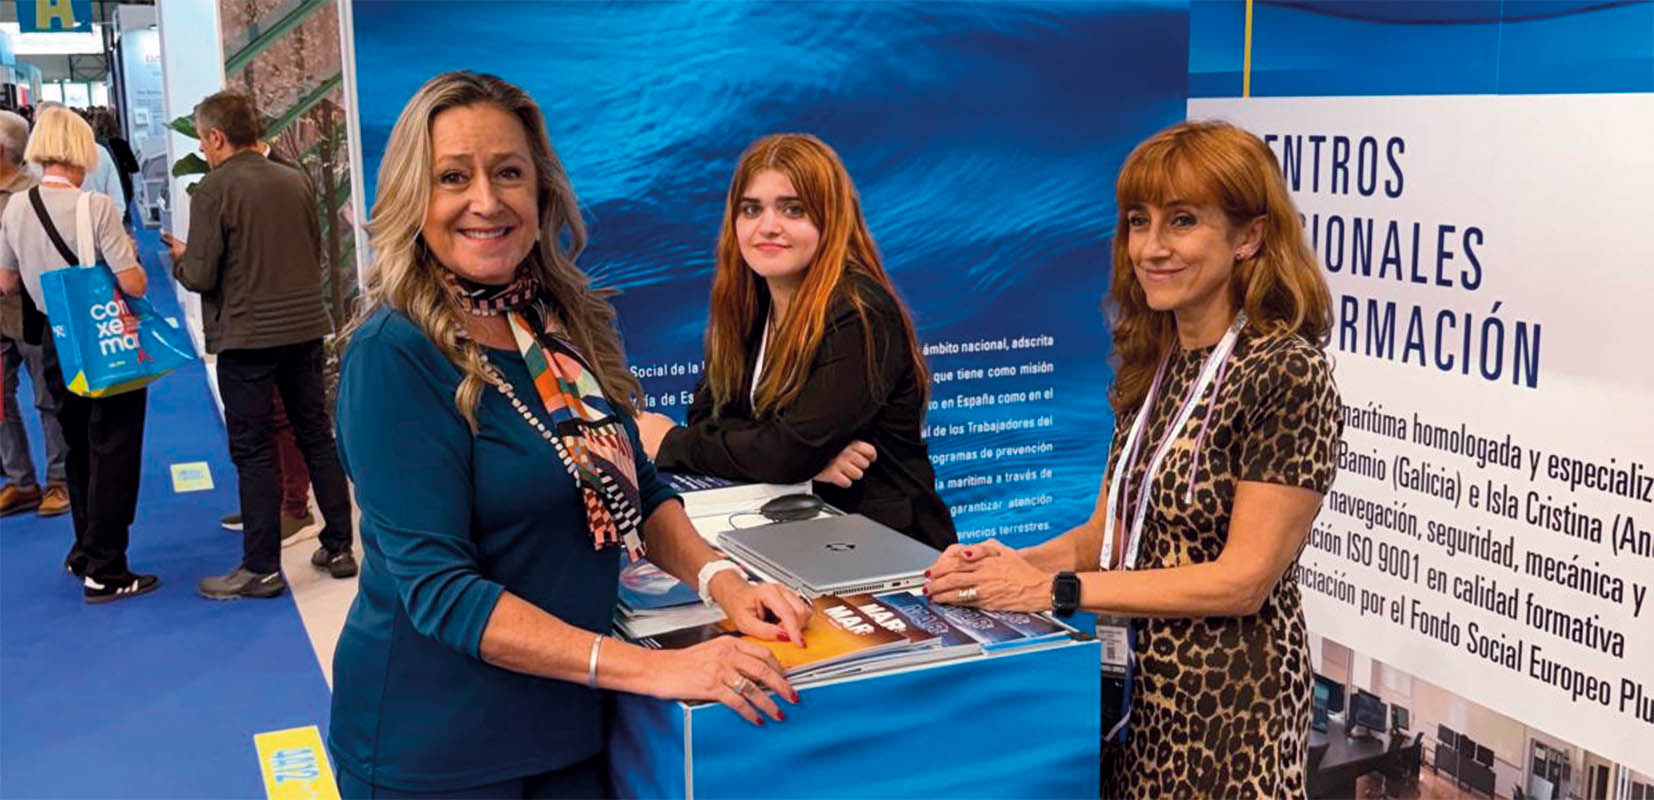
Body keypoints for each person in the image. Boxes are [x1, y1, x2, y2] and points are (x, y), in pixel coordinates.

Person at [329, 71, 809, 798]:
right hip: (438, 753)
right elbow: (439, 590)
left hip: (569, 725)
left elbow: (635, 490)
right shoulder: (394, 354)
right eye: (453, 176)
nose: (485, 201)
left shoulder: (554, 324)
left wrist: (724, 583)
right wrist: (662, 669)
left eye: (508, 174)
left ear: (541, 191)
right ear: (411, 197)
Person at [923, 120, 1342, 798]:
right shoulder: (1153, 360)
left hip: (1228, 712)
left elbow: (1244, 581)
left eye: (1182, 222)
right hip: (1129, 697)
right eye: (1138, 223)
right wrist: (1006, 566)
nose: (1151, 248)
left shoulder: (1285, 371)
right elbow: (1109, 535)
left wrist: (1054, 591)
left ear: (1250, 237)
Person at [637, 133, 956, 550]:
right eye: (751, 209)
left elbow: (783, 451)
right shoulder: (751, 307)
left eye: (793, 209)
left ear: (830, 219)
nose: (768, 226)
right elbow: (708, 419)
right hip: (804, 535)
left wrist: (670, 443)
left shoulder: (859, 312)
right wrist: (803, 462)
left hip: (890, 549)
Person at [164, 91, 356, 599]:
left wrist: (180, 258)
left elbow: (201, 275)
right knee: (315, 434)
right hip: (304, 328)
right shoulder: (296, 179)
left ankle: (261, 566)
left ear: (216, 137)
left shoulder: (214, 189)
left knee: (253, 451)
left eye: (203, 138)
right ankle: (340, 546)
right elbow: (313, 252)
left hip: (248, 337)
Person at [0, 106, 157, 602]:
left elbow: (6, 281)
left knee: (79, 448)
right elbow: (133, 281)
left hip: (51, 338)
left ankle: (85, 550)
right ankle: (108, 569)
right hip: (100, 337)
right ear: (79, 148)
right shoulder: (95, 207)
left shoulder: (16, 207)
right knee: (114, 448)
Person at [0, 108, 71, 518]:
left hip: (31, 310)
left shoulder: (35, 195)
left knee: (48, 399)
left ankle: (59, 482)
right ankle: (20, 481)